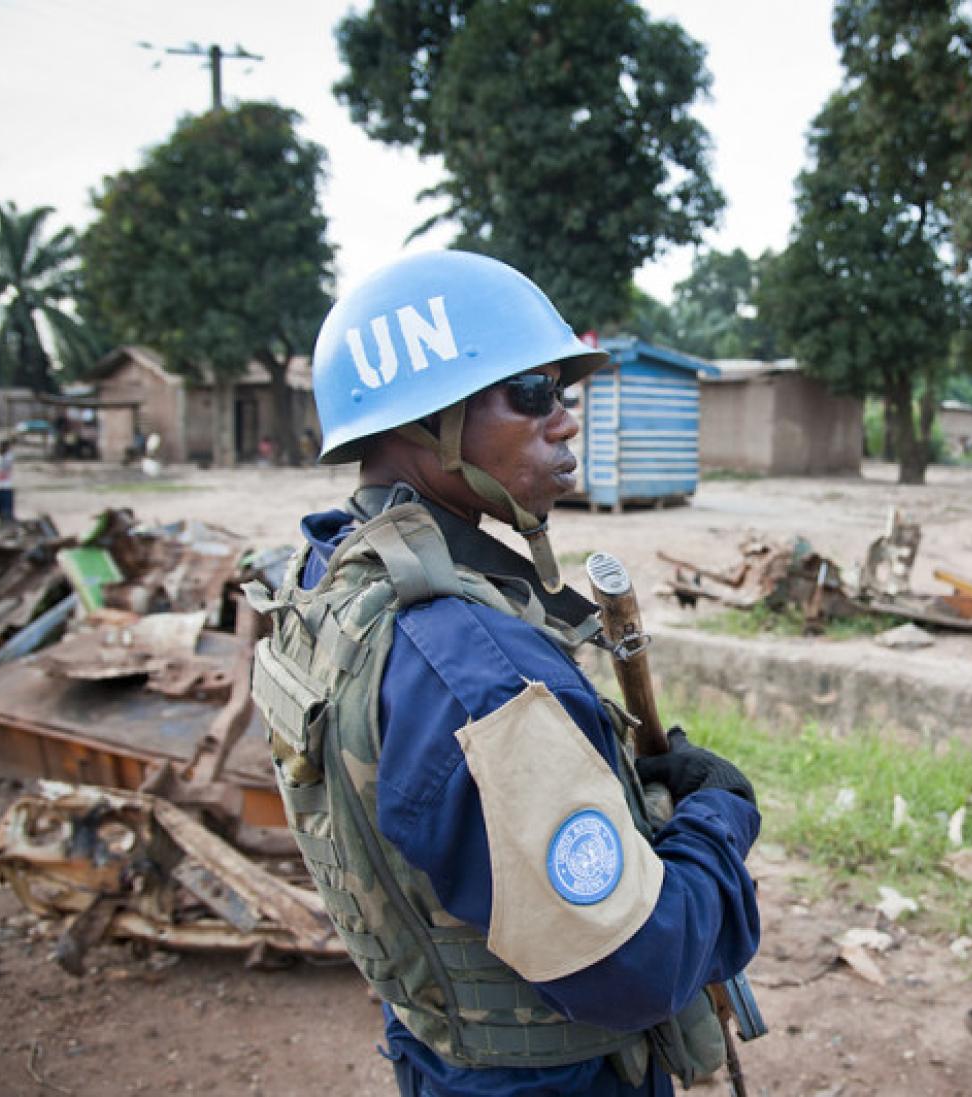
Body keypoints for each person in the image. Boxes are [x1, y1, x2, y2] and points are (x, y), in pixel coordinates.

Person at [248, 251, 761, 1097]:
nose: (564, 420)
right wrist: (718, 820)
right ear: (427, 419)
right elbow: (638, 963)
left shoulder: (330, 576)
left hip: (438, 1046)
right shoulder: (482, 675)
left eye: (564, 392)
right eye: (531, 392)